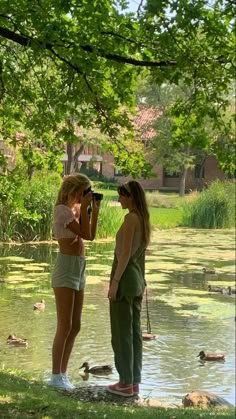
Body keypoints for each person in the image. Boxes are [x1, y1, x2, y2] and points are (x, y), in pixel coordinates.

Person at [49, 173, 101, 390]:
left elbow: (91, 234)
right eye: (85, 192)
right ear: (76, 190)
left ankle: (63, 373)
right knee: (65, 324)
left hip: (79, 267)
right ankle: (55, 376)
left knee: (76, 325)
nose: (86, 195)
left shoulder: (77, 210)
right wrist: (86, 208)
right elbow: (84, 235)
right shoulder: (62, 210)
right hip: (66, 267)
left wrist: (94, 210)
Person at [107, 180, 151, 397]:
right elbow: (139, 257)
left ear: (131, 197)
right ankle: (134, 381)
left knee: (121, 332)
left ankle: (125, 382)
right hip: (136, 281)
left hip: (125, 281)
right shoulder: (143, 220)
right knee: (134, 333)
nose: (119, 199)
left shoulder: (130, 219)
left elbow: (124, 255)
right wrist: (143, 281)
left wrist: (114, 283)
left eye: (122, 196)